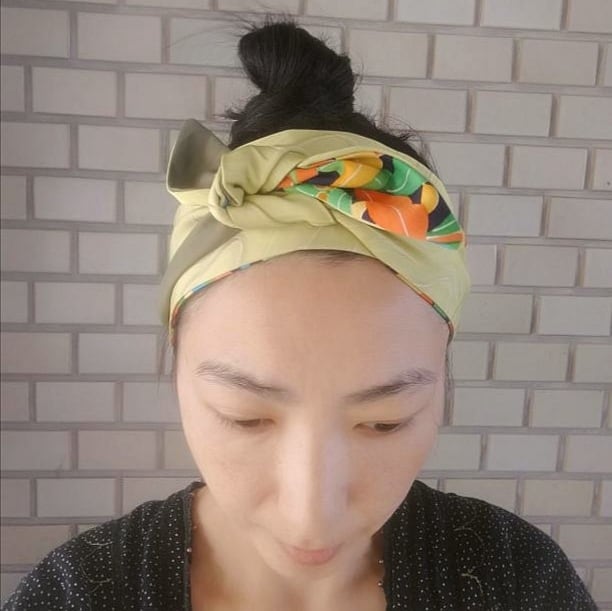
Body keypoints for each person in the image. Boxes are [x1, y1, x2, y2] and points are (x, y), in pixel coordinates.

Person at [3, 17, 597, 611]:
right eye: (244, 418)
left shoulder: (517, 579)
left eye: (385, 422)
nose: (310, 516)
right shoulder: (79, 593)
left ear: (443, 379)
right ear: (176, 367)